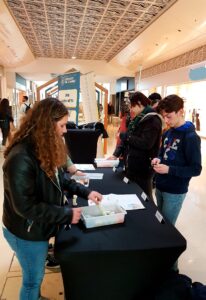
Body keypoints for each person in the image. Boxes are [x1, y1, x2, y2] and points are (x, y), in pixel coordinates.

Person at [2, 97, 102, 300]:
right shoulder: (21, 157)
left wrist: (85, 192)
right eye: (62, 125)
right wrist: (66, 214)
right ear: (47, 124)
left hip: (37, 227)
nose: (66, 130)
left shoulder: (42, 146)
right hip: (26, 232)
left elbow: (59, 179)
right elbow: (26, 207)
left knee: (34, 277)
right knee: (32, 280)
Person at [152, 94, 202, 225]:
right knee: (159, 221)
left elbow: (196, 169)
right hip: (160, 186)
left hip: (175, 191)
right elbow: (162, 153)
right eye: (164, 117)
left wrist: (169, 169)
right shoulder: (167, 133)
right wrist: (158, 159)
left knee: (167, 227)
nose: (166, 121)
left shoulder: (191, 137)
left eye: (169, 116)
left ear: (181, 112)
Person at [109, 91, 163, 200]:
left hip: (143, 168)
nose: (131, 109)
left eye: (132, 105)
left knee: (145, 198)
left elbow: (146, 143)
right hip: (132, 166)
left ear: (139, 103)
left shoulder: (152, 120)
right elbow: (126, 140)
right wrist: (115, 154)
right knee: (132, 195)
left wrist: (126, 136)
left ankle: (149, 217)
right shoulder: (137, 119)